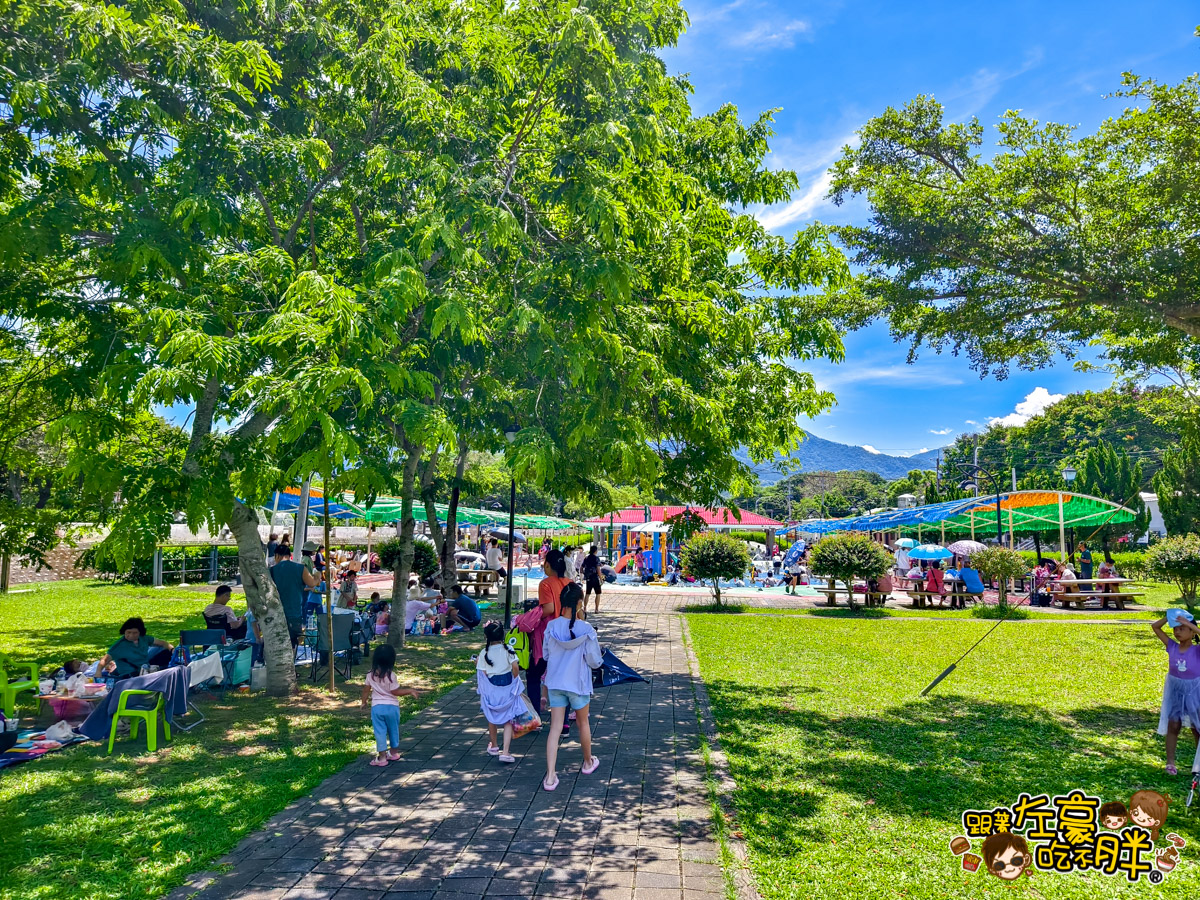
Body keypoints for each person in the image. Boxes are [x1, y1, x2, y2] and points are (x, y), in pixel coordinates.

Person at [541, 583, 603, 791]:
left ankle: (550, 775)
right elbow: (595, 661)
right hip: (578, 684)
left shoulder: (551, 627)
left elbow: (547, 655)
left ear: (561, 601)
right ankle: (587, 761)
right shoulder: (586, 629)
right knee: (583, 723)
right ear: (579, 603)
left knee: (555, 728)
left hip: (555, 683)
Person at [1152, 610, 1200, 775]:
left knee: (1197, 727)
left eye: (1182, 628)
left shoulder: (1197, 650)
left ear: (1192, 632)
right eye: (1175, 628)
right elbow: (1156, 627)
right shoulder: (1171, 646)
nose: (1178, 632)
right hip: (1175, 690)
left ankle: (1198, 763)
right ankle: (1170, 762)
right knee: (1173, 725)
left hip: (1195, 691)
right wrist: (1170, 616)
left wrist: (1189, 624)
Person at [360, 644, 422, 767]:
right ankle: (393, 753)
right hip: (392, 708)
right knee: (393, 729)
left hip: (377, 708)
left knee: (380, 732)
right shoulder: (391, 675)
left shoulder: (370, 675)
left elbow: (366, 690)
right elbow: (395, 692)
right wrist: (409, 691)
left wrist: (364, 702)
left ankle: (382, 757)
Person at [525, 550, 570, 717]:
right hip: (566, 635)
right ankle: (564, 722)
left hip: (547, 637)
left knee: (534, 674)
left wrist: (532, 615)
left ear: (548, 565)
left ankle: (535, 716)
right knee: (563, 678)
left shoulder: (545, 584)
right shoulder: (569, 582)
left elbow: (549, 608)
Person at [477, 622, 524, 764]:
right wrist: (515, 678)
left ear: (486, 637)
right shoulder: (508, 649)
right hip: (507, 683)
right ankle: (505, 751)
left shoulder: (484, 653)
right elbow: (515, 666)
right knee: (508, 718)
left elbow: (482, 672)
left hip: (492, 685)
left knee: (492, 716)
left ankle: (494, 745)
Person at [271, 544, 320, 650]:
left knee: (278, 643)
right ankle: (291, 663)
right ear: (290, 555)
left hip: (276, 613)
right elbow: (312, 583)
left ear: (277, 556)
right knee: (293, 643)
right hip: (294, 612)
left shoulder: (272, 570)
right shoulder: (300, 568)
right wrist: (317, 576)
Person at [98, 618, 174, 680]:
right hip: (128, 678)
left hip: (145, 674)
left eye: (134, 633)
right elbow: (104, 660)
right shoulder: (119, 646)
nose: (131, 635)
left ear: (140, 632)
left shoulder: (144, 639)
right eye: (128, 632)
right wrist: (98, 673)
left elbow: (163, 643)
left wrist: (172, 650)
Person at [581, 545, 603, 613]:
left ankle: (584, 608)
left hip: (588, 578)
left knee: (587, 593)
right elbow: (598, 569)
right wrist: (601, 578)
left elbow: (581, 568)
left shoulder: (586, 558)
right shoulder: (596, 558)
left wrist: (583, 574)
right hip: (595, 577)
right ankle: (596, 609)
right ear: (595, 551)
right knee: (598, 593)